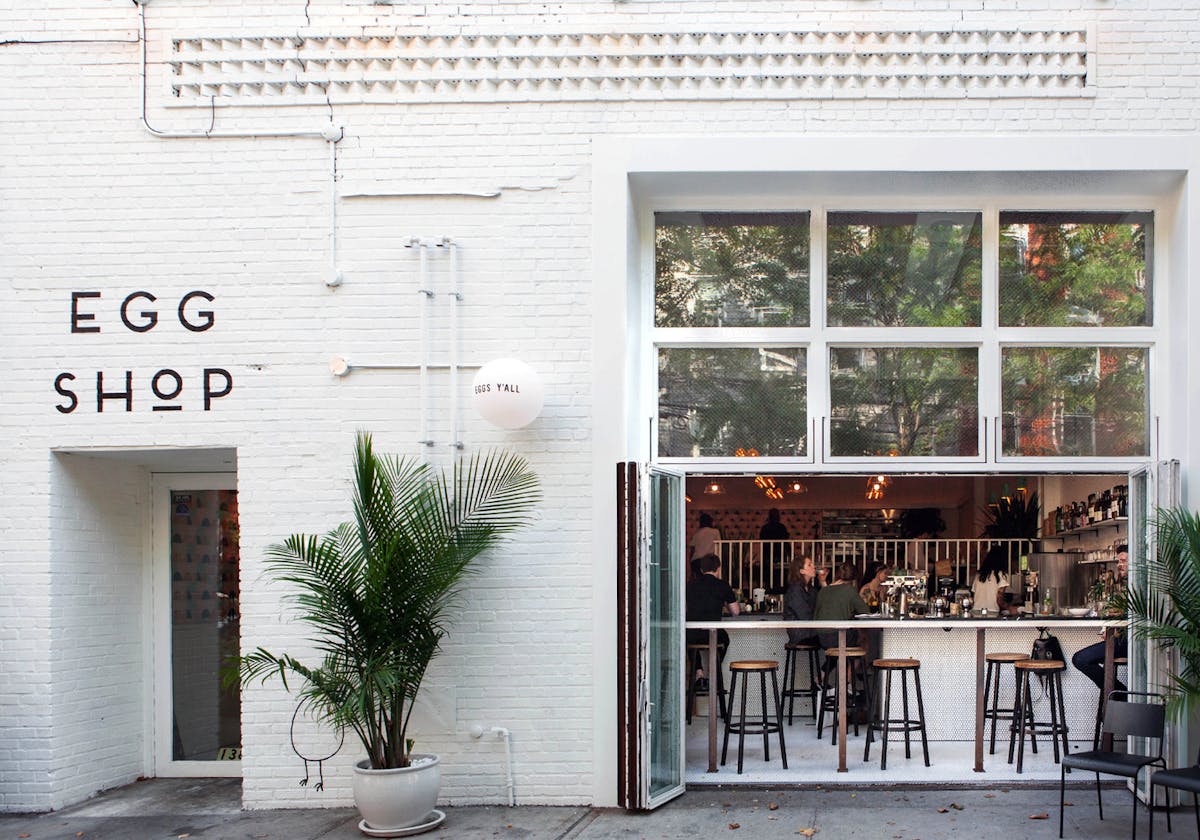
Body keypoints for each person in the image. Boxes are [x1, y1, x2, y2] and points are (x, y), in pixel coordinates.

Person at [1072, 545, 1129, 693]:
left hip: (1133, 643)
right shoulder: (1129, 585)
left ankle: (1119, 695)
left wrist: (1117, 631)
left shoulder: (1139, 585)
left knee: (1080, 659)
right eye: (1118, 561)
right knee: (1080, 659)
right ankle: (1119, 694)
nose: (1119, 565)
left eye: (1123, 561)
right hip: (1123, 640)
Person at [686, 554, 740, 684]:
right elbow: (736, 611)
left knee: (688, 639)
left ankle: (698, 672)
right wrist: (725, 604)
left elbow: (684, 609)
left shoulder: (690, 585)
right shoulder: (722, 585)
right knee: (725, 639)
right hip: (713, 634)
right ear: (718, 568)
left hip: (693, 633)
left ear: (701, 570)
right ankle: (714, 671)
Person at [814, 562, 872, 659]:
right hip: (838, 636)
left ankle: (826, 672)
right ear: (854, 578)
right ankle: (850, 673)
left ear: (837, 574)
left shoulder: (823, 590)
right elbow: (866, 612)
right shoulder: (850, 590)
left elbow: (817, 614)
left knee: (838, 650)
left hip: (821, 637)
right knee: (863, 640)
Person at [783, 555, 823, 647]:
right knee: (833, 637)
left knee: (833, 637)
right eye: (809, 565)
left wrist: (822, 582)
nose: (814, 566)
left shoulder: (810, 589)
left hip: (811, 631)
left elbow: (824, 603)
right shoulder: (795, 590)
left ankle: (830, 661)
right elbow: (805, 616)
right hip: (801, 635)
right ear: (802, 571)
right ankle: (831, 662)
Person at [972, 545, 1018, 615]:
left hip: (976, 611)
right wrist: (1010, 608)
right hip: (992, 612)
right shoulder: (1001, 575)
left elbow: (974, 597)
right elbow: (999, 600)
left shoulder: (979, 575)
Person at [759, 508, 791, 594]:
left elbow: (762, 543)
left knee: (769, 578)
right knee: (780, 577)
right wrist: (790, 554)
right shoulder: (781, 527)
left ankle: (770, 593)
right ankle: (781, 593)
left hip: (767, 556)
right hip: (779, 555)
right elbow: (786, 542)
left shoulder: (765, 528)